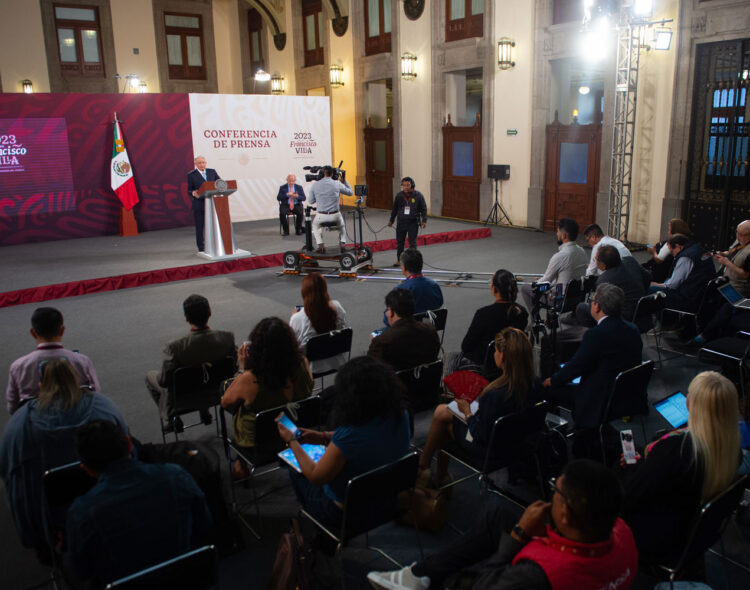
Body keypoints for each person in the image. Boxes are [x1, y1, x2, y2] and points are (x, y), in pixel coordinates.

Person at [367, 459, 638, 590]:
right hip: (582, 561)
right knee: (498, 515)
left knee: (457, 579)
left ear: (565, 514)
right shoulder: (622, 533)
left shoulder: (533, 578)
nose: (551, 493)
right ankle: (419, 574)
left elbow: (484, 584)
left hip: (515, 578)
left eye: (556, 489)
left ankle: (422, 577)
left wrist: (519, 535)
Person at [0, 359, 128, 552]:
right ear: (75, 379)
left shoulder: (19, 428)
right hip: (119, 508)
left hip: (59, 533)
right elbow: (128, 451)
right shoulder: (105, 408)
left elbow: (13, 479)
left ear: (41, 385)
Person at [66, 420, 212, 586]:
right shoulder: (176, 477)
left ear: (87, 469)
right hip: (184, 580)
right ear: (129, 444)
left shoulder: (82, 512)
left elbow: (81, 571)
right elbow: (203, 524)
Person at [621, 371, 741, 564]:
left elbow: (629, 496)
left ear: (689, 404)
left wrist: (634, 467)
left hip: (660, 539)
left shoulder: (675, 451)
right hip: (693, 535)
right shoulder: (732, 451)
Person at [276, 356, 411, 528]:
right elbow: (368, 440)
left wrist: (292, 441)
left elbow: (316, 477)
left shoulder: (350, 435)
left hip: (345, 514)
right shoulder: (400, 415)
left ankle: (320, 530)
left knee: (296, 468)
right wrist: (324, 436)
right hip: (387, 501)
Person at [419, 327, 540, 487]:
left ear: (503, 356)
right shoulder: (536, 384)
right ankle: (434, 473)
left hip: (489, 448)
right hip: (519, 442)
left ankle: (425, 470)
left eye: (496, 351)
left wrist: (467, 412)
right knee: (443, 413)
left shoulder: (496, 395)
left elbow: (479, 434)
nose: (494, 354)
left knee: (443, 417)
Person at [221, 317, 312, 479]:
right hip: (298, 432)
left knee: (241, 410)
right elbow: (309, 389)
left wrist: (243, 371)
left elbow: (225, 403)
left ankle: (241, 464)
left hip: (259, 445)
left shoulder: (250, 379)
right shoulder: (303, 364)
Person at [543, 283, 642, 431]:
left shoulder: (597, 334)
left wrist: (552, 380)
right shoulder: (633, 329)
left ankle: (555, 432)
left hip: (598, 397)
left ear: (597, 306)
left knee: (545, 388)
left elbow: (576, 367)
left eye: (592, 301)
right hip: (624, 394)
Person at [145, 294, 236, 432]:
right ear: (210, 313)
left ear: (186, 318)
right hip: (220, 393)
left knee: (151, 376)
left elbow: (164, 381)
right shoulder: (227, 338)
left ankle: (170, 418)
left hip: (183, 400)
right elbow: (234, 366)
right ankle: (203, 411)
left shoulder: (175, 347)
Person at [6, 306, 99, 414]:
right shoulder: (82, 361)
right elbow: (96, 395)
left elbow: (12, 407)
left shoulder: (18, 366)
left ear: (33, 333)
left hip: (35, 424)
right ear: (62, 330)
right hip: (78, 421)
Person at [451, 269, 529, 371]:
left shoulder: (484, 314)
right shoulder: (522, 312)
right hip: (514, 362)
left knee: (450, 359)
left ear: (494, 289)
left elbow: (466, 346)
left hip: (486, 365)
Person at [520, 218, 588, 321]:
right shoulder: (582, 251)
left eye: (557, 232)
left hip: (560, 300)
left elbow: (546, 280)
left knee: (526, 288)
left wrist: (536, 283)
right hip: (577, 299)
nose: (556, 234)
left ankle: (536, 320)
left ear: (564, 235)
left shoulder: (560, 256)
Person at [367, 289, 440, 372]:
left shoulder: (382, 341)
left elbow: (371, 373)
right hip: (427, 383)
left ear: (391, 312)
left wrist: (375, 343)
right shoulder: (431, 331)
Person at [289, 273, 348, 375]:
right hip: (337, 359)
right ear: (325, 288)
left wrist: (292, 318)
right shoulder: (337, 306)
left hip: (311, 367)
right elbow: (343, 330)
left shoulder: (298, 318)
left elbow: (293, 345)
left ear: (304, 292)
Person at [573, 245, 647, 325]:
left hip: (624, 317)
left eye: (596, 260)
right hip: (643, 310)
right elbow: (648, 277)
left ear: (603, 266)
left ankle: (595, 333)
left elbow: (599, 307)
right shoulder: (630, 260)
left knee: (581, 307)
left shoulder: (604, 280)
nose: (595, 262)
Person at [649, 233, 716, 312]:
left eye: (672, 251)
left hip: (689, 298)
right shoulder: (698, 249)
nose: (673, 255)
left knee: (649, 289)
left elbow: (672, 285)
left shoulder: (685, 258)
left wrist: (654, 284)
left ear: (678, 246)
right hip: (702, 295)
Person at [382, 248, 443, 326]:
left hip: (408, 332)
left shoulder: (401, 291)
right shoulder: (434, 285)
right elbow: (439, 304)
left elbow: (388, 320)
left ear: (403, 267)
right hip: (430, 331)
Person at [308, 165, 353, 253]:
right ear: (332, 174)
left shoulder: (315, 185)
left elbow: (311, 201)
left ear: (322, 174)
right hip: (335, 215)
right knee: (342, 226)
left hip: (321, 215)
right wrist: (345, 181)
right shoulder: (337, 184)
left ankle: (320, 246)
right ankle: (343, 245)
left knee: (315, 226)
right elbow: (350, 192)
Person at [388, 177, 427, 263]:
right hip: (401, 222)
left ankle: (412, 261)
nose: (406, 187)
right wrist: (391, 220)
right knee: (400, 242)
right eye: (404, 185)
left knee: (412, 243)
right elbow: (394, 209)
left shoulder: (418, 195)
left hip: (413, 222)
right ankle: (400, 260)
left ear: (412, 185)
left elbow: (423, 208)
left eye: (408, 185)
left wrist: (424, 220)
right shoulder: (399, 196)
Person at [187, 155, 221, 252]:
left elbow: (220, 182)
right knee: (200, 227)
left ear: (206, 163)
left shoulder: (212, 171)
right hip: (199, 205)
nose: (202, 164)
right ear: (196, 164)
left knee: (214, 225)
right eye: (199, 163)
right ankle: (201, 248)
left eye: (203, 162)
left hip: (212, 203)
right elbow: (189, 190)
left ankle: (216, 245)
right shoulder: (191, 175)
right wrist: (193, 193)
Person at [644, 217, 692, 284]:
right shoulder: (688, 241)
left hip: (660, 274)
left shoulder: (672, 243)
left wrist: (653, 251)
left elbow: (659, 259)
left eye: (669, 230)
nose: (668, 232)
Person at [713, 219, 750, 296]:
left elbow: (745, 274)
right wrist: (723, 254)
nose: (738, 237)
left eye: (742, 234)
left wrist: (727, 263)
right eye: (737, 232)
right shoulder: (741, 240)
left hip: (737, 289)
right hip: (724, 281)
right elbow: (732, 252)